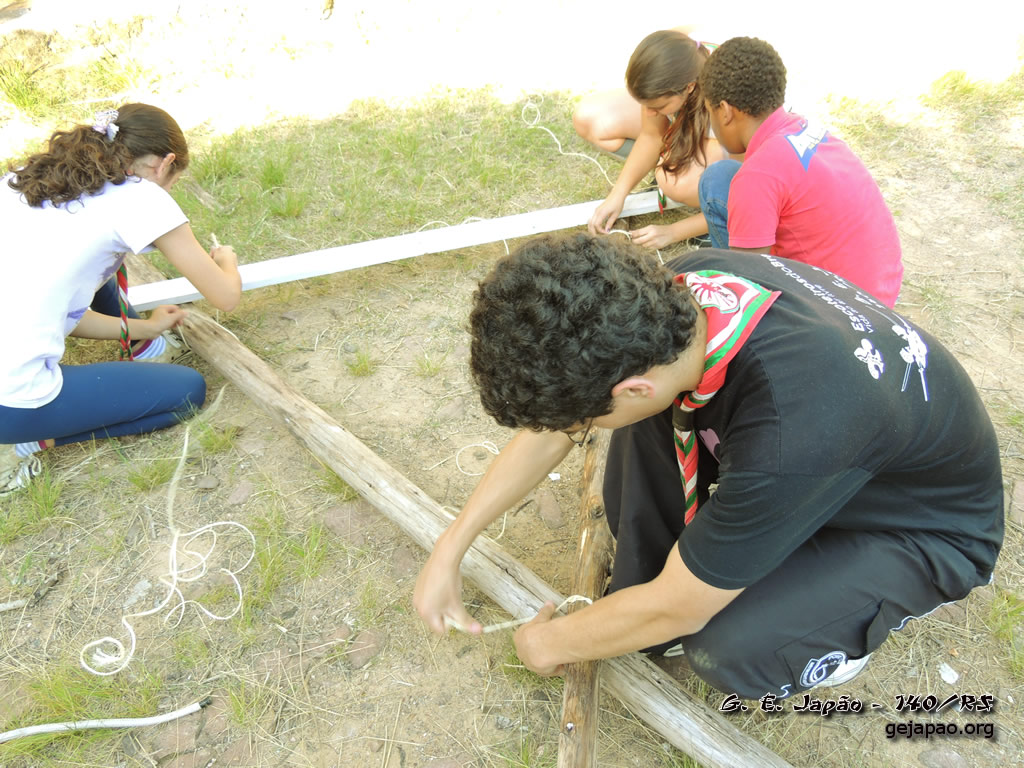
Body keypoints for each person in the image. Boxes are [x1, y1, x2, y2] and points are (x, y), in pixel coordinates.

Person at [413, 232, 1003, 699]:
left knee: (728, 645)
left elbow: (681, 607)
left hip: (915, 528)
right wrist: (450, 546)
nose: (575, 433)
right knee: (636, 488)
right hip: (827, 456)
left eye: (581, 423)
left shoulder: (792, 428)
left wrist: (549, 644)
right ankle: (675, 580)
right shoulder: (677, 298)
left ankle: (834, 634)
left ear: (635, 387)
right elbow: (552, 432)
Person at [0, 104, 243, 495]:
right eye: (173, 180)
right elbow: (225, 295)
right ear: (165, 163)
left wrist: (145, 328)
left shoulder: (32, 178)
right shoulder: (140, 198)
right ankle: (19, 446)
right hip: (10, 402)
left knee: (101, 270)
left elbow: (60, 313)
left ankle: (147, 347)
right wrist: (226, 260)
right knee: (186, 392)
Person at [697, 37, 903, 307]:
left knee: (721, 186)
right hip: (881, 293)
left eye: (709, 111)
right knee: (721, 177)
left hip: (841, 314)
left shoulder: (757, 176)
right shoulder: (805, 129)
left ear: (724, 111)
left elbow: (749, 285)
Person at [580, 29, 730, 250]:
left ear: (689, 87)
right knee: (588, 118)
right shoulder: (681, 67)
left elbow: (750, 195)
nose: (649, 113)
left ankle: (703, 192)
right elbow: (651, 135)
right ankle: (680, 160)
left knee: (673, 180)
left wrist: (673, 232)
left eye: (658, 106)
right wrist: (618, 194)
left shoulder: (728, 106)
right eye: (645, 104)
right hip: (694, 120)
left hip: (735, 148)